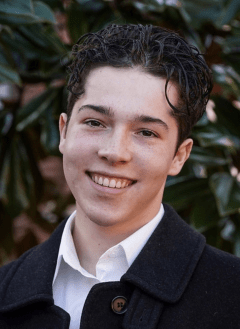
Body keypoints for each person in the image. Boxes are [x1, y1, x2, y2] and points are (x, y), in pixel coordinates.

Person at [0, 24, 240, 329]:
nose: (114, 152)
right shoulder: (5, 292)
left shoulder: (232, 296)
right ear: (64, 131)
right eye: (95, 122)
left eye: (146, 132)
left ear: (179, 155)